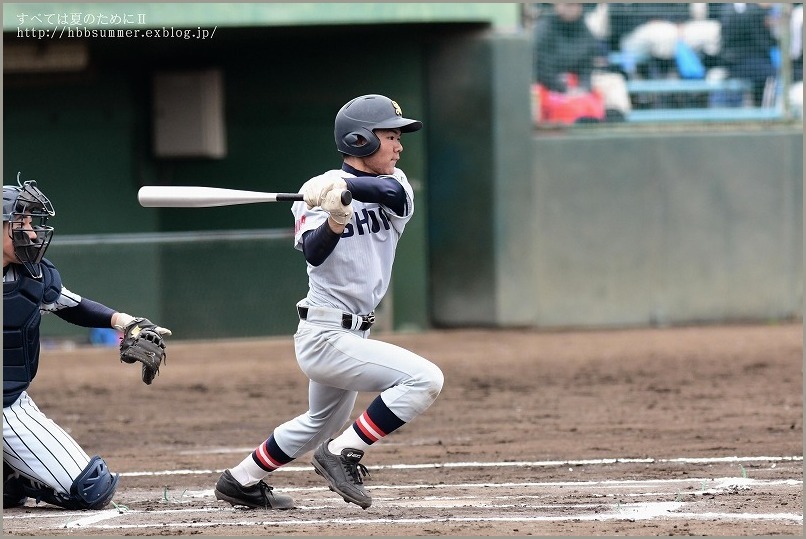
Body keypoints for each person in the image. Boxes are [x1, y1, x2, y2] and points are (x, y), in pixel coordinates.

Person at [213, 94, 444, 511]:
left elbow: (392, 194)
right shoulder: (312, 192)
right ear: (360, 141)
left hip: (357, 329)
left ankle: (241, 480)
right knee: (424, 379)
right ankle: (342, 454)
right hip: (325, 333)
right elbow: (315, 253)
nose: (399, 145)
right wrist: (335, 217)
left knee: (323, 423)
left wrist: (345, 187)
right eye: (389, 136)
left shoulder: (396, 182)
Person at [3, 176, 172, 510]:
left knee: (92, 487)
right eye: (19, 223)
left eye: (30, 223)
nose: (32, 233)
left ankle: (19, 477)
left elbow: (74, 306)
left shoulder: (32, 277)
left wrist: (125, 321)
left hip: (7, 405)